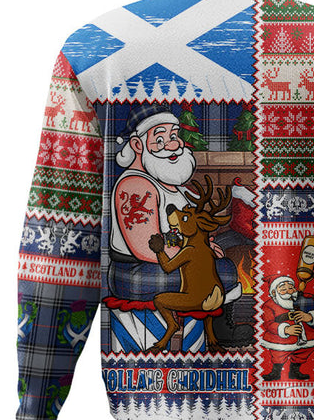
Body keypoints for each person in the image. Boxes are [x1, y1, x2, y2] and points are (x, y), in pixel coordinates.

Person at [108, 103, 254, 347]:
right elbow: (146, 247)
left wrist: (205, 246)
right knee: (225, 270)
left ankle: (216, 326)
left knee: (226, 251)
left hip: (168, 261)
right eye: (160, 139)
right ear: (137, 145)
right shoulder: (136, 186)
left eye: (174, 136)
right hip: (136, 272)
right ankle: (220, 329)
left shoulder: (168, 183)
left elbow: (184, 231)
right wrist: (198, 256)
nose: (172, 144)